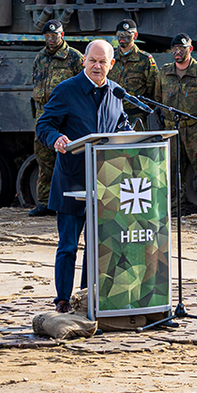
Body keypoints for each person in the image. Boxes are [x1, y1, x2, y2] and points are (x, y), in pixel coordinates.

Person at [35, 39, 132, 313]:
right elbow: (44, 125)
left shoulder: (116, 93)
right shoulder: (66, 90)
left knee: (96, 245)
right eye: (93, 61)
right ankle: (63, 301)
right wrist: (55, 139)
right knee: (68, 246)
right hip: (72, 180)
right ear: (84, 61)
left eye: (103, 62)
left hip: (105, 181)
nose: (97, 66)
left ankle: (88, 298)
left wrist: (128, 135)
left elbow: (121, 124)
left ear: (111, 65)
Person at [154, 33, 197, 215]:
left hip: (196, 128)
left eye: (181, 49)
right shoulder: (164, 72)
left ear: (190, 49)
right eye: (174, 49)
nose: (177, 52)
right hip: (172, 129)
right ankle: (174, 211)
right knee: (172, 172)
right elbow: (158, 98)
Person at [28, 20, 83, 217]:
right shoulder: (40, 58)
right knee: (44, 159)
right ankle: (44, 202)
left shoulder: (74, 58)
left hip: (65, 115)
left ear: (62, 35)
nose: (51, 39)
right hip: (44, 113)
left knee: (68, 158)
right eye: (48, 36)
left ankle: (67, 201)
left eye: (55, 35)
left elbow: (82, 86)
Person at [107, 19, 158, 128]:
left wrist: (144, 109)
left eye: (126, 34)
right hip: (112, 114)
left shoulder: (145, 60)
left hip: (136, 115)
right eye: (119, 34)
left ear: (135, 36)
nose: (122, 37)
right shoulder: (110, 57)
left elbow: (153, 88)